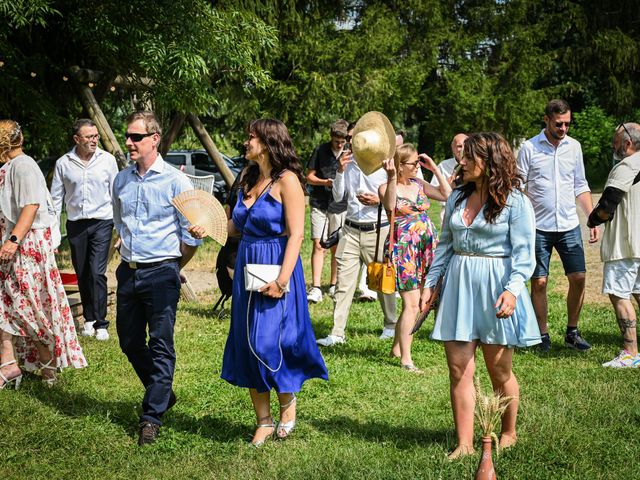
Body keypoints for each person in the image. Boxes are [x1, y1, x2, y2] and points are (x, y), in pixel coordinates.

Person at [196, 118, 328, 447]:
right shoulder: (248, 178)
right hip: (247, 263)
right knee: (247, 342)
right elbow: (234, 227)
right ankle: (263, 420)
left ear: (268, 143)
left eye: (251, 137)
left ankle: (287, 407)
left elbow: (297, 233)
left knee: (271, 342)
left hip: (278, 265)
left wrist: (283, 280)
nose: (246, 142)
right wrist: (205, 228)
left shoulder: (288, 182)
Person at [423, 132, 541, 459]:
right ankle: (464, 444)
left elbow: (524, 255)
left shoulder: (516, 202)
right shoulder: (457, 198)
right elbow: (444, 245)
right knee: (459, 368)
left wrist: (513, 291)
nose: (461, 161)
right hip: (460, 286)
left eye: (469, 157)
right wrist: (431, 285)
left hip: (496, 288)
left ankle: (508, 431)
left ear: (489, 162)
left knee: (498, 370)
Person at [112, 111, 202, 445]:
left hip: (162, 271)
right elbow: (119, 222)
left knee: (160, 344)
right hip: (128, 271)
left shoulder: (176, 181)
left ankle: (151, 416)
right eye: (127, 136)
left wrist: (174, 266)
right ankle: (162, 391)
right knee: (129, 341)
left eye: (136, 137)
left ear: (155, 139)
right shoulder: (121, 180)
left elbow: (191, 235)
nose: (129, 142)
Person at [0, 119, 87, 389]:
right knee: (8, 303)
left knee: (28, 306)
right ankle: (9, 363)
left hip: (25, 245)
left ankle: (45, 362)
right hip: (14, 242)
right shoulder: (10, 165)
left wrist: (13, 241)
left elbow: (31, 205)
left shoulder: (24, 165)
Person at [517, 99, 599, 352]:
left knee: (579, 277)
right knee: (539, 282)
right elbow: (519, 186)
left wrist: (592, 216)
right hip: (538, 227)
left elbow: (580, 184)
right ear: (547, 120)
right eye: (558, 123)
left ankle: (572, 332)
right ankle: (542, 336)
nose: (563, 128)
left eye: (566, 124)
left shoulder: (574, 147)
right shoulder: (529, 147)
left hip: (568, 225)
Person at [317, 112, 398, 346]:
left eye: (353, 138)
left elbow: (392, 204)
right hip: (350, 230)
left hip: (377, 229)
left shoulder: (385, 166)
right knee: (343, 283)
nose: (350, 142)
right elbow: (338, 196)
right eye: (351, 139)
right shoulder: (348, 163)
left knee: (382, 281)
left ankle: (391, 325)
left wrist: (378, 199)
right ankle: (337, 332)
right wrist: (339, 172)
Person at [379, 144, 451, 371]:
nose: (417, 167)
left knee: (420, 302)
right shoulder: (386, 187)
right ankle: (406, 359)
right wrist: (391, 178)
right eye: (413, 163)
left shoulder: (419, 184)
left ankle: (396, 348)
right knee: (411, 304)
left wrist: (434, 170)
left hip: (426, 248)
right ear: (400, 166)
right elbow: (391, 206)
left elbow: (446, 194)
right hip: (404, 250)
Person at [50, 119, 119, 341]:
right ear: (77, 139)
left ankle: (101, 323)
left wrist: (120, 227)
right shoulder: (64, 163)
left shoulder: (107, 161)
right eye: (88, 137)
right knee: (82, 272)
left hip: (102, 222)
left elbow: (116, 195)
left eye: (96, 136)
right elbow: (55, 200)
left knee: (97, 271)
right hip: (76, 224)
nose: (93, 140)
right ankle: (88, 319)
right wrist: (52, 234)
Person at [587, 122, 640, 368]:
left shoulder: (626, 166)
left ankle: (630, 353)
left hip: (625, 245)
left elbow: (607, 207)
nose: (613, 146)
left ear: (627, 143)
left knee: (620, 295)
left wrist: (592, 219)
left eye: (616, 141)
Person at [305, 119, 349, 303]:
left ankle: (333, 284)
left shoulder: (350, 154)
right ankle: (316, 287)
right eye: (336, 141)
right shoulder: (320, 150)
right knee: (318, 244)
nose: (339, 144)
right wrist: (325, 182)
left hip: (340, 206)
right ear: (331, 137)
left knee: (336, 247)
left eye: (342, 141)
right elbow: (309, 177)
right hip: (320, 203)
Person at [430, 133, 468, 224]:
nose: (462, 149)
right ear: (452, 147)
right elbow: (433, 190)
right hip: (448, 212)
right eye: (459, 146)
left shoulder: (476, 166)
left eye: (465, 145)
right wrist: (447, 185)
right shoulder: (444, 165)